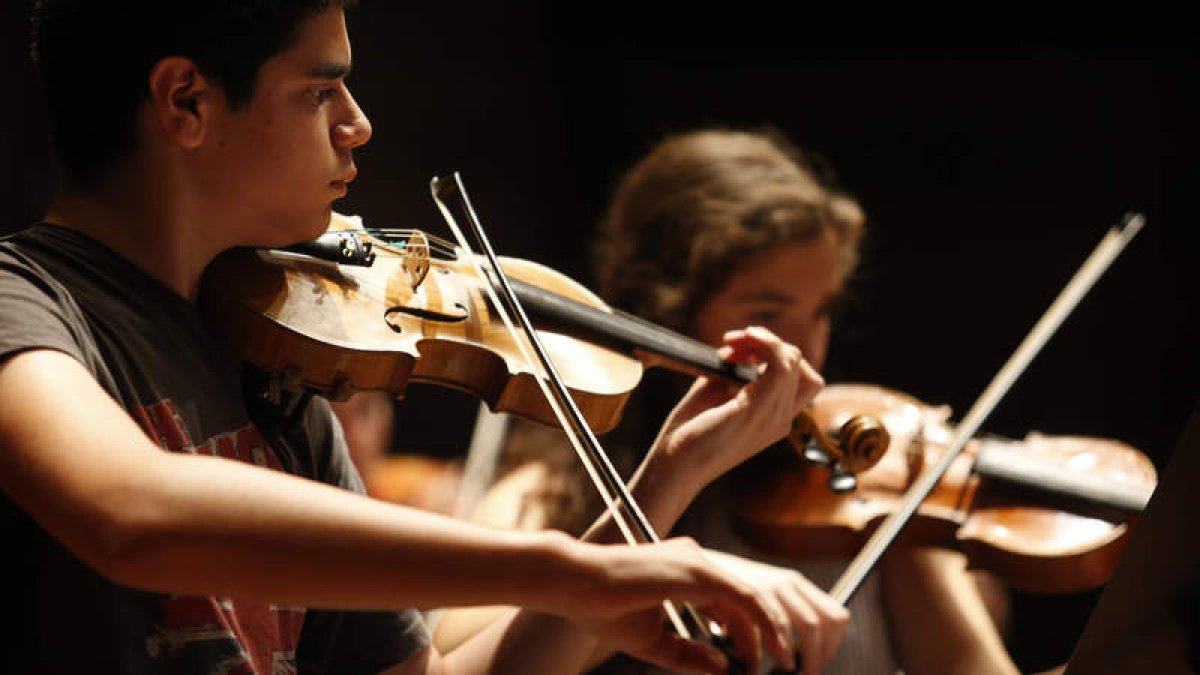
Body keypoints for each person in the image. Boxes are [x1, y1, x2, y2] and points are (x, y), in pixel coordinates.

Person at [0, 3, 847, 674]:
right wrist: (574, 573)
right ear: (186, 100)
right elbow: (129, 511)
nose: (357, 123)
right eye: (318, 91)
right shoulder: (23, 302)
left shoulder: (277, 363)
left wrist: (666, 477)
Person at [432, 128, 1022, 674]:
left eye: (821, 311)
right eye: (766, 315)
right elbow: (455, 656)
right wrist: (654, 586)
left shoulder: (869, 487)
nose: (803, 353)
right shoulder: (557, 494)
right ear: (665, 313)